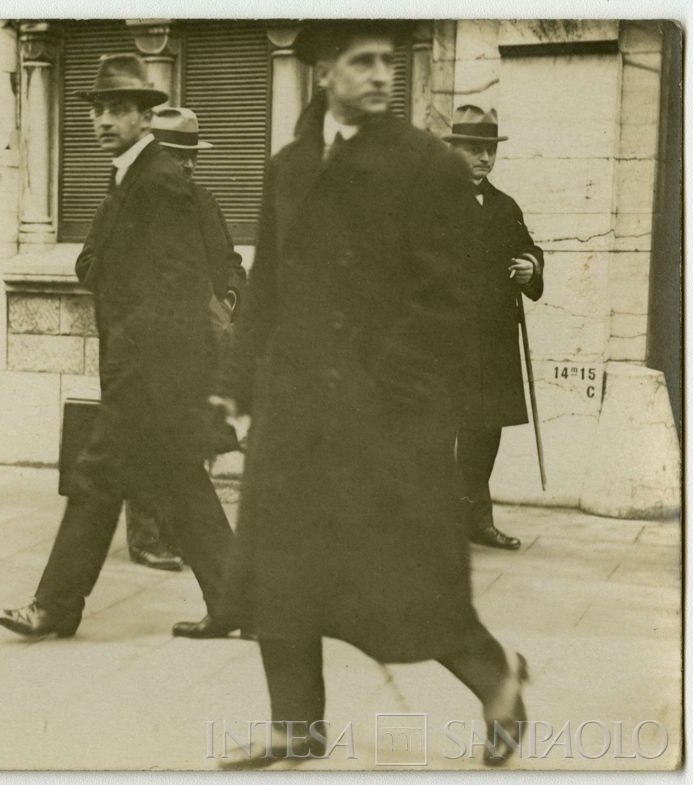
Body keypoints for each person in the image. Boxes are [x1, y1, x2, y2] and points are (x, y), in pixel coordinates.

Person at [211, 22, 530, 768]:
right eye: (362, 61)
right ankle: (296, 723)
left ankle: (498, 678)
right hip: (295, 405)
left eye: (389, 60)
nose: (382, 74)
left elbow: (446, 299)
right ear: (324, 70)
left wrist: (381, 388)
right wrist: (231, 386)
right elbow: (268, 288)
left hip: (387, 411)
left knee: (401, 574)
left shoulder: (430, 167)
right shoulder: (289, 166)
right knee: (277, 562)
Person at [0, 54, 240, 641]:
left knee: (95, 479)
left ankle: (54, 606)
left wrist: (139, 366)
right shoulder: (129, 175)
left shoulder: (158, 179)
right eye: (98, 109)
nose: (104, 120)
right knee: (182, 482)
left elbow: (176, 286)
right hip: (151, 369)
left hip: (150, 372)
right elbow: (106, 265)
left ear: (144, 117)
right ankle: (239, 604)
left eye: (118, 109)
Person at [114, 106, 249, 573]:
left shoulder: (203, 201)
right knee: (146, 436)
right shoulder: (129, 202)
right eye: (176, 155)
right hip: (147, 343)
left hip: (197, 342)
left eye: (192, 156)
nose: (187, 165)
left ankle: (179, 533)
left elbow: (229, 263)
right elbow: (90, 264)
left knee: (192, 438)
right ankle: (147, 536)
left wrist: (227, 301)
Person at [443, 105, 545, 551]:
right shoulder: (433, 203)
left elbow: (529, 248)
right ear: (455, 151)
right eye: (474, 149)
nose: (484, 158)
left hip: (495, 340)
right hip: (445, 339)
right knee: (440, 430)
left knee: (485, 432)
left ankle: (476, 521)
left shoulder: (506, 206)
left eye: (489, 150)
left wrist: (531, 268)